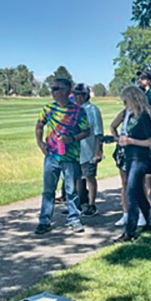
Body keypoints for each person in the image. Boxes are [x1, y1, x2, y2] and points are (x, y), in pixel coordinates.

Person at [35, 77, 90, 235]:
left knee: (71, 190)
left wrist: (71, 139)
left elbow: (87, 131)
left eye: (56, 89)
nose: (53, 92)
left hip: (70, 157)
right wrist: (40, 143)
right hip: (52, 156)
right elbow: (39, 125)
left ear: (66, 91)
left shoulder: (78, 111)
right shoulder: (48, 109)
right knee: (48, 190)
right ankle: (44, 220)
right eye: (52, 89)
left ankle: (74, 219)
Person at [117, 86, 151, 241]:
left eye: (126, 100)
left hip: (140, 157)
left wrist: (131, 141)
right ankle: (150, 220)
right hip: (129, 156)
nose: (125, 104)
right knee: (137, 190)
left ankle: (130, 231)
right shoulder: (129, 116)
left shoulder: (144, 117)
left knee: (131, 191)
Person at [73, 83, 103, 217]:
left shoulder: (92, 110)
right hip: (76, 151)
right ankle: (79, 203)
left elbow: (98, 132)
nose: (78, 97)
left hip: (89, 150)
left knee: (90, 177)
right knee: (77, 178)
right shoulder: (73, 109)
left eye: (81, 94)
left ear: (86, 95)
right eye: (76, 94)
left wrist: (98, 151)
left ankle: (92, 204)